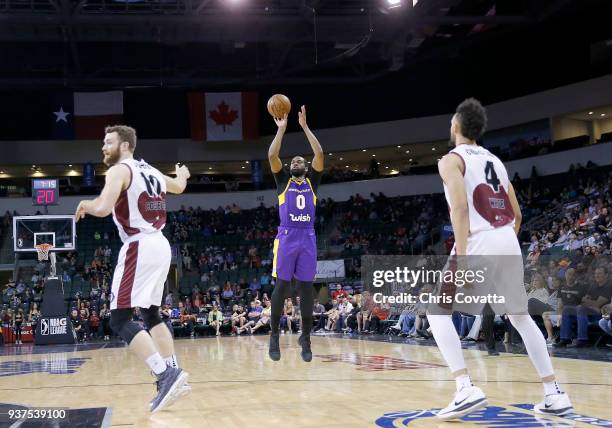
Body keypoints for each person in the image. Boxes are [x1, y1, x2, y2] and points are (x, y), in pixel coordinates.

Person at [427, 99, 572, 420]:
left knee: (437, 311)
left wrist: (463, 257)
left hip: (478, 238)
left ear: (456, 125)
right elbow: (517, 215)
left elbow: (460, 209)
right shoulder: (496, 160)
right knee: (520, 317)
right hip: (507, 238)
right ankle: (554, 393)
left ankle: (464, 387)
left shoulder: (451, 160)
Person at [75, 125, 191, 412]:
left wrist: (84, 204)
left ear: (124, 145)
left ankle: (165, 374)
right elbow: (178, 186)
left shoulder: (119, 170)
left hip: (139, 244)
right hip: (161, 245)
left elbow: (102, 207)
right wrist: (183, 174)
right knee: (151, 313)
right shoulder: (150, 170)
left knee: (118, 319)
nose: (104, 147)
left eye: (108, 142)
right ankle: (175, 374)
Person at [267, 105, 324, 363]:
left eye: (301, 160)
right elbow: (272, 155)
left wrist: (304, 127)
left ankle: (306, 338)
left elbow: (319, 152)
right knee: (281, 286)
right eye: (293, 161)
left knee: (307, 289)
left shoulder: (313, 182)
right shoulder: (283, 182)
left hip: (308, 237)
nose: (296, 161)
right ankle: (274, 335)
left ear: (306, 166)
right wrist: (281, 130)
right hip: (288, 236)